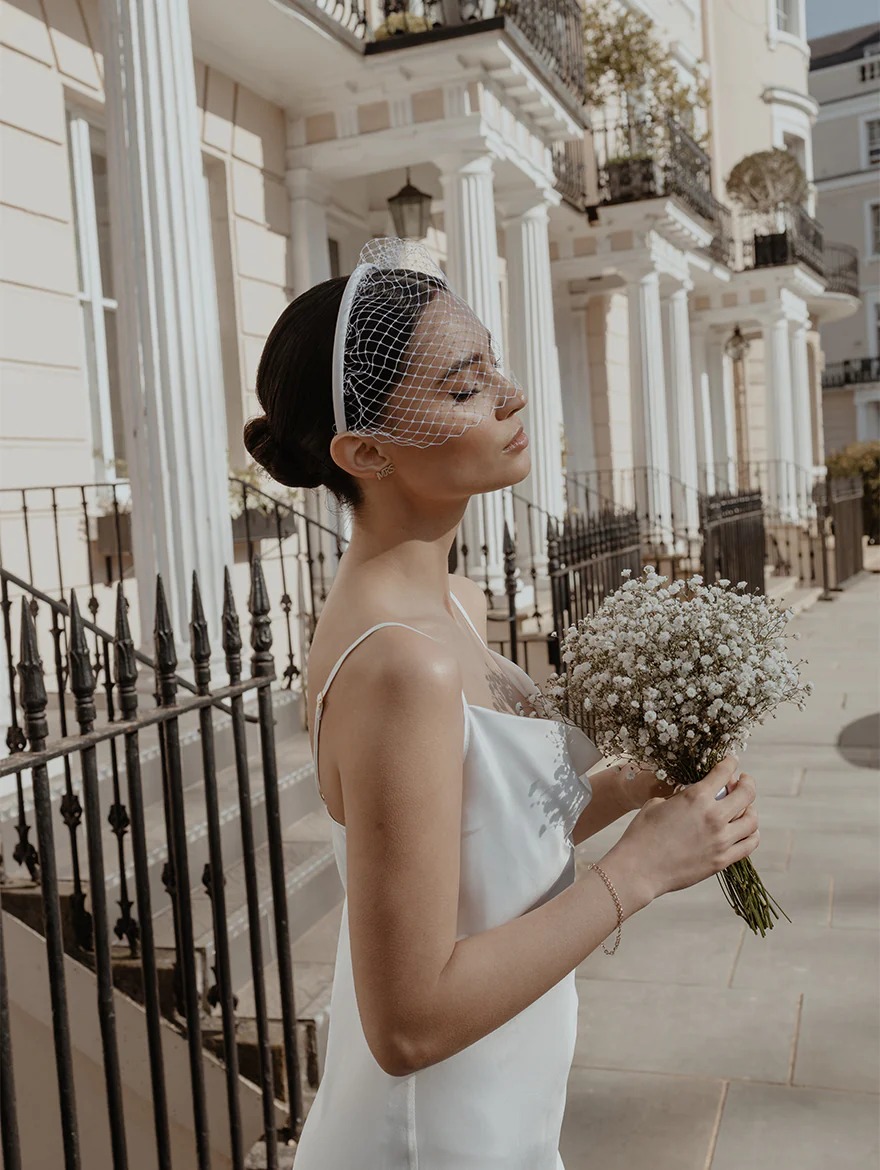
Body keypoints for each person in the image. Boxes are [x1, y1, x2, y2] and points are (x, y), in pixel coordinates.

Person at [243, 241, 759, 1168]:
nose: (511, 396)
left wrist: (648, 780)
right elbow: (408, 1022)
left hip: (503, 1099)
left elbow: (486, 844)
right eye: (464, 384)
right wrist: (638, 873)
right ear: (365, 451)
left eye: (493, 365)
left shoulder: (452, 602)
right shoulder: (402, 668)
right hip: (435, 1136)